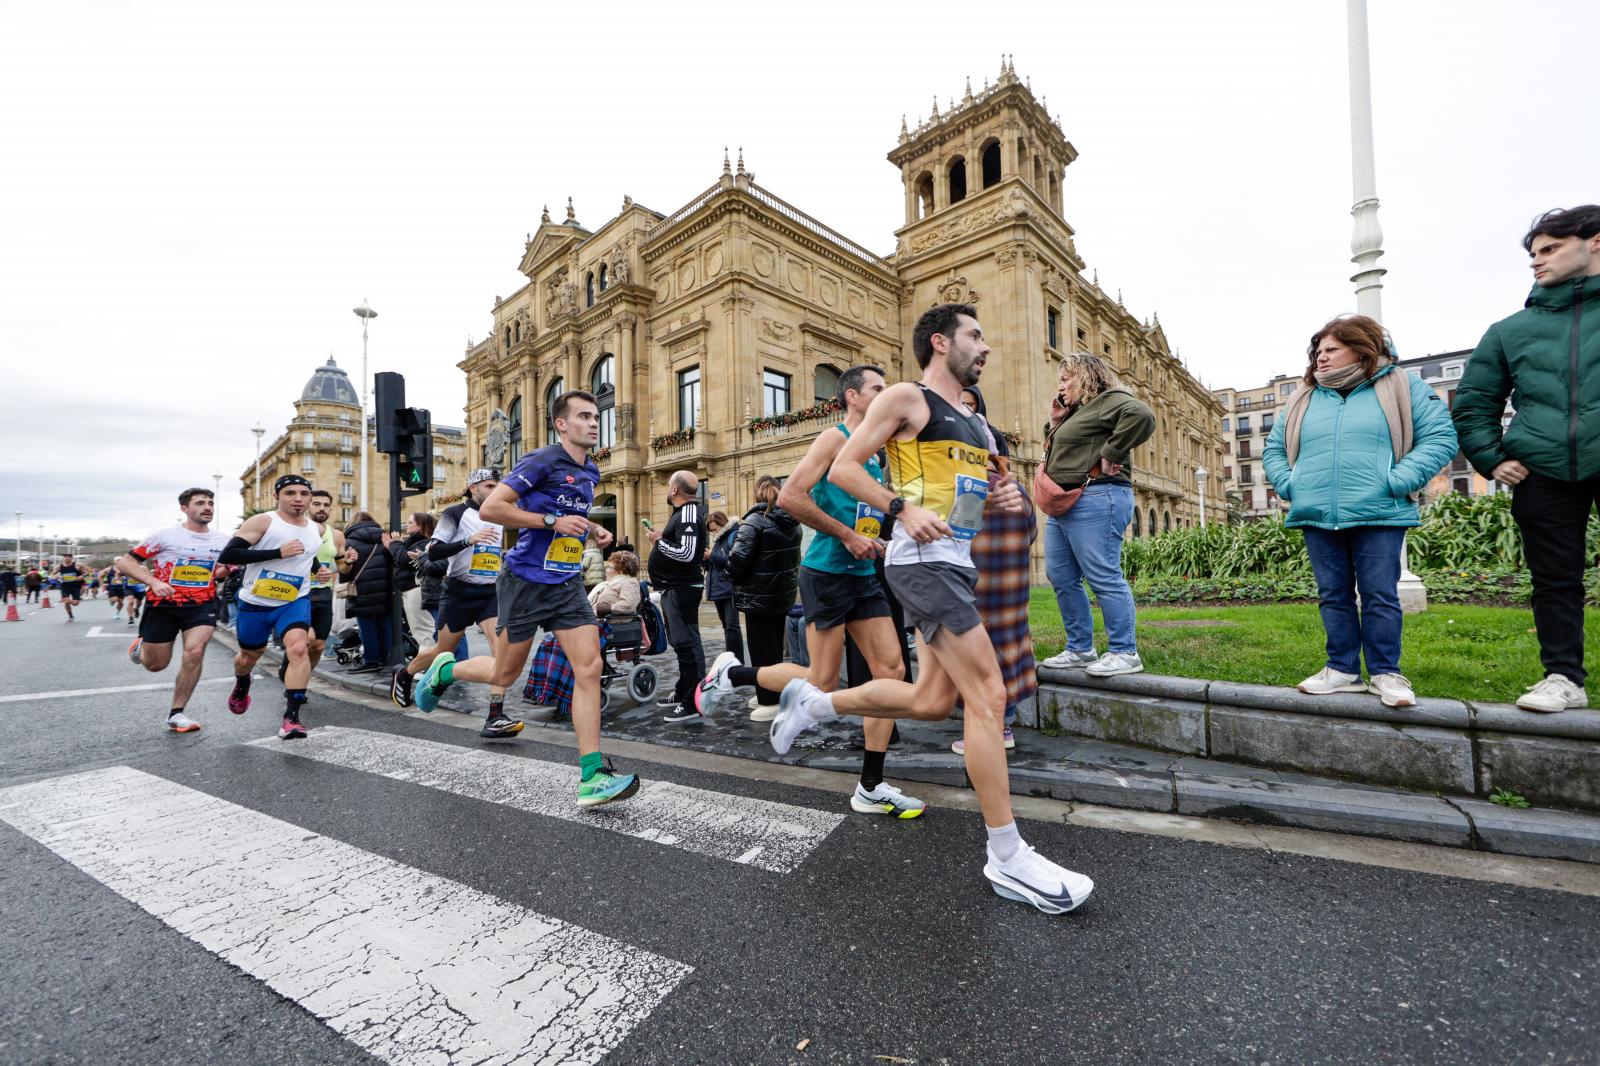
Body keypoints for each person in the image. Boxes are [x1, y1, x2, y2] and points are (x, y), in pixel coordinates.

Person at [767, 303, 1094, 913]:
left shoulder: (976, 426)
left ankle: (816, 702)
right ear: (940, 343)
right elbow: (843, 466)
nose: (987, 346)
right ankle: (1007, 856)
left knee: (930, 700)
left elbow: (987, 495)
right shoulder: (905, 399)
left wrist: (1001, 490)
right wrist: (900, 511)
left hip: (955, 564)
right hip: (920, 563)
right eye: (976, 335)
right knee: (988, 696)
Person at [699, 365, 927, 819]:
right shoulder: (833, 439)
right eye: (877, 389)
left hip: (863, 572)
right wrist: (846, 534)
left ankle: (871, 785)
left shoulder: (879, 454)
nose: (886, 395)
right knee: (821, 681)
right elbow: (791, 498)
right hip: (825, 571)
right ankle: (732, 675)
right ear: (851, 397)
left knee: (891, 669)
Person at [411, 390, 639, 807]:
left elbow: (568, 515)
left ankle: (592, 775)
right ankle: (444, 671)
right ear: (562, 424)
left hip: (567, 583)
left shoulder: (590, 471)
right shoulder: (541, 460)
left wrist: (590, 529)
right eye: (584, 416)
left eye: (595, 416)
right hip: (524, 581)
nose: (594, 422)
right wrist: (553, 520)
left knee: (588, 667)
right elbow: (495, 508)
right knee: (503, 674)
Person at [1263, 314, 1457, 707]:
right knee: (1332, 594)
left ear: (1361, 347)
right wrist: (1290, 485)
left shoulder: (1402, 385)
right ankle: (1342, 669)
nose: (1321, 358)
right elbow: (1274, 449)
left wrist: (1398, 481)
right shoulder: (1303, 396)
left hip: (1379, 511)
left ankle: (1386, 673)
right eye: (1317, 351)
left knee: (1379, 594)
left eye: (1331, 349)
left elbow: (1440, 437)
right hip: (1316, 510)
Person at [1452, 206, 1600, 711]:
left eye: (1550, 249)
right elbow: (1474, 403)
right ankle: (1563, 678)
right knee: (1554, 579)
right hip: (1544, 471)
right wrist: (1492, 459)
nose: (1537, 261)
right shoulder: (1509, 331)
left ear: (1594, 242)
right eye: (1533, 253)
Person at [1035, 352, 1155, 677]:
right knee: (1060, 575)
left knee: (1103, 574)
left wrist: (1112, 453)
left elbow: (1143, 416)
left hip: (1098, 495)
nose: (1060, 386)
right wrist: (1057, 421)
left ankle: (1124, 652)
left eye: (1065, 378)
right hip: (1065, 502)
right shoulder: (1079, 411)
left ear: (1086, 376)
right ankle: (1080, 648)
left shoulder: (1110, 399)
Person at [391, 471, 521, 738]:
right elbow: (435, 550)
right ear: (473, 487)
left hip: (488, 593)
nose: (495, 490)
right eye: (489, 486)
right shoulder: (454, 514)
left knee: (501, 653)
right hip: (458, 592)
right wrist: (467, 541)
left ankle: (495, 715)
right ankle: (405, 673)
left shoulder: (499, 514)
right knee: (443, 648)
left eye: (498, 486)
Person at [951, 384, 1037, 755]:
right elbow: (1031, 532)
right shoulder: (1014, 487)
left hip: (978, 589)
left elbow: (957, 538)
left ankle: (993, 727)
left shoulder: (967, 489)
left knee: (980, 659)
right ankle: (1006, 722)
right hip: (1012, 591)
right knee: (1010, 649)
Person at [678, 476, 798, 724]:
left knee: (761, 651)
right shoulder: (793, 523)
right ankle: (772, 692)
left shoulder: (754, 522)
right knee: (774, 648)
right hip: (782, 596)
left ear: (756, 494)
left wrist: (734, 577)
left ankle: (769, 699)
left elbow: (736, 562)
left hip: (758, 597)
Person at [218, 475, 324, 740]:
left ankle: (292, 718)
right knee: (247, 658)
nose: (298, 498)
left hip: (294, 600)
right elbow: (229, 555)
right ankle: (243, 681)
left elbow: (306, 556)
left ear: (310, 498)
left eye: (303, 493)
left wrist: (319, 570)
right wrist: (277, 552)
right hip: (256, 602)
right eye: (290, 493)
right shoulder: (263, 522)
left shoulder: (317, 529)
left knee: (299, 648)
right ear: (277, 496)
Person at [118, 487, 232, 732]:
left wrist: (222, 572)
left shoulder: (221, 541)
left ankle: (176, 713)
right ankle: (141, 648)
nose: (207, 507)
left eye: (210, 503)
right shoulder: (165, 535)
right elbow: (125, 562)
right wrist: (154, 582)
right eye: (200, 503)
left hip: (202, 604)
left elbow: (222, 570)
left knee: (195, 651)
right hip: (163, 605)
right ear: (184, 508)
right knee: (156, 665)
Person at [525, 550, 643, 714]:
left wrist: (604, 609)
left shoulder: (629, 582)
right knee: (551, 639)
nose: (607, 569)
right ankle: (544, 689)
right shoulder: (606, 583)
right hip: (593, 621)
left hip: (609, 624)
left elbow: (628, 606)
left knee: (567, 645)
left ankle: (559, 692)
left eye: (610, 567)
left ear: (621, 569)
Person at [646, 469, 708, 718]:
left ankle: (694, 701)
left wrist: (657, 542)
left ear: (674, 490)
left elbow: (688, 553)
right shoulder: (682, 514)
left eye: (668, 485)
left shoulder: (690, 513)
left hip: (682, 589)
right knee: (680, 644)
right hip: (672, 588)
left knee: (688, 643)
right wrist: (664, 537)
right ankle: (684, 690)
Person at [339, 510, 395, 673]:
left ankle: (371, 660)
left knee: (366, 625)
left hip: (362, 590)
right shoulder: (384, 538)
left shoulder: (349, 541)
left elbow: (346, 571)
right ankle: (384, 658)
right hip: (385, 590)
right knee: (384, 624)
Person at [301, 490, 345, 676]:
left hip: (324, 595)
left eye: (326, 505)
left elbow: (342, 568)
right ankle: (291, 671)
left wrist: (348, 561)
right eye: (317, 504)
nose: (322, 508)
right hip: (299, 594)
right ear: (308, 505)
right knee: (305, 641)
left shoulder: (336, 535)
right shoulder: (298, 530)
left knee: (318, 646)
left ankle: (300, 679)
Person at [703, 510, 745, 666]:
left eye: (715, 529)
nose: (714, 532)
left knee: (732, 627)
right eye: (712, 530)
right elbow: (717, 563)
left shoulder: (734, 535)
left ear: (723, 523)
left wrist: (711, 557)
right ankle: (731, 661)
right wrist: (706, 561)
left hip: (730, 588)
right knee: (727, 627)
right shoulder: (720, 540)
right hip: (720, 589)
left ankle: (736, 662)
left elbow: (734, 561)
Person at [395, 511, 436, 647]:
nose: (407, 525)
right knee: (419, 631)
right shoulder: (413, 542)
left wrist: (395, 544)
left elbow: (403, 559)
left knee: (423, 631)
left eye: (410, 522)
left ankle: (430, 665)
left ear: (420, 526)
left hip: (416, 589)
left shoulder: (423, 543)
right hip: (411, 589)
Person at [54, 555, 86, 620]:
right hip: (65, 586)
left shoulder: (77, 565)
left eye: (69, 557)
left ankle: (70, 601)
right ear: (63, 558)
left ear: (72, 558)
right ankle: (70, 616)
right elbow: (52, 574)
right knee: (67, 601)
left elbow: (88, 571)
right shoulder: (60, 566)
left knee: (75, 603)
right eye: (66, 557)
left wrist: (82, 576)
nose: (67, 558)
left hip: (76, 586)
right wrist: (56, 577)